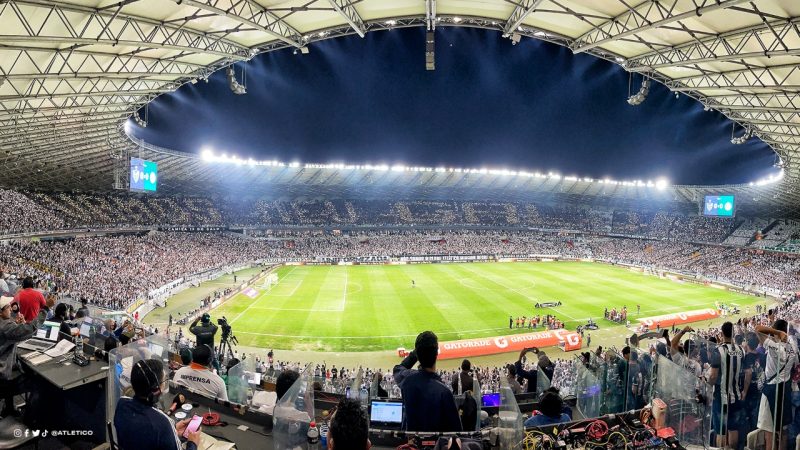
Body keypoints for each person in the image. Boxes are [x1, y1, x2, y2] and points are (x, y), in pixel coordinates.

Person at [114, 358, 201, 450]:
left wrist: (172, 430)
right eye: (163, 381)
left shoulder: (122, 403)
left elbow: (143, 434)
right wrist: (192, 443)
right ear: (155, 389)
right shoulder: (163, 423)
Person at [393, 331, 461, 432]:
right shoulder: (444, 392)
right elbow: (457, 432)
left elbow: (398, 369)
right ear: (437, 353)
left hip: (412, 443)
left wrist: (416, 353)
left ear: (418, 354)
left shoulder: (407, 380)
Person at [0, 296, 47, 416]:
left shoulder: (5, 324)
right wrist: (45, 309)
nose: (11, 308)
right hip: (2, 376)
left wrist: (16, 324)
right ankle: (31, 415)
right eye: (8, 307)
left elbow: (9, 333)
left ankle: (9, 409)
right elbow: (30, 329)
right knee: (36, 380)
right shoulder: (6, 327)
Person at [756, 320, 798, 450]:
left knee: (769, 432)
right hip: (785, 389)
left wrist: (777, 332)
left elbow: (758, 329)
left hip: (772, 390)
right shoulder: (793, 347)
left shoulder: (774, 346)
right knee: (783, 430)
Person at [708, 321, 743, 450]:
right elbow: (745, 372)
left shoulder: (718, 351)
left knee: (721, 431)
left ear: (722, 333)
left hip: (721, 397)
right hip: (737, 396)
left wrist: (707, 384)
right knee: (733, 429)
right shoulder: (741, 350)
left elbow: (712, 376)